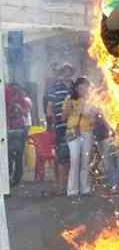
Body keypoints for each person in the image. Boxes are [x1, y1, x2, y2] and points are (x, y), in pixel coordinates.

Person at [63, 77, 97, 197]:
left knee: (85, 160)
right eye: (81, 87)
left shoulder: (91, 100)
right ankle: (72, 190)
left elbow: (94, 117)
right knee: (75, 160)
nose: (84, 90)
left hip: (87, 131)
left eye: (86, 87)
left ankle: (85, 188)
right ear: (76, 88)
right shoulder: (70, 99)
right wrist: (70, 108)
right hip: (73, 131)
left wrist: (89, 113)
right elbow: (64, 117)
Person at [47, 63, 75, 195]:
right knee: (61, 156)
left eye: (68, 70)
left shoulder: (75, 86)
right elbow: (50, 106)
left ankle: (70, 185)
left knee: (72, 157)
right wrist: (51, 124)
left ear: (71, 72)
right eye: (64, 71)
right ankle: (60, 186)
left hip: (75, 126)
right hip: (60, 126)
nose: (66, 73)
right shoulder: (55, 87)